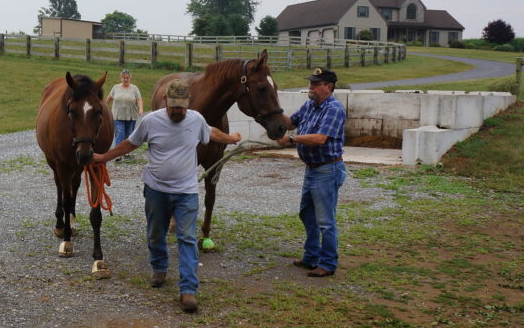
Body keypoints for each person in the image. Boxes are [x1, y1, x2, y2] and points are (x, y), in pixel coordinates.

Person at [93, 80, 241, 313]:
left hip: (186, 192)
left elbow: (210, 132)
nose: (178, 111)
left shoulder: (195, 119)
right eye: (174, 107)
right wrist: (104, 158)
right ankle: (159, 267)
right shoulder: (151, 121)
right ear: (165, 102)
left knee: (187, 238)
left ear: (188, 104)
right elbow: (130, 144)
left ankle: (188, 290)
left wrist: (231, 138)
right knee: (155, 233)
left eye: (182, 107)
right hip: (156, 189)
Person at [276, 68, 346, 278]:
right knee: (307, 214)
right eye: (311, 83)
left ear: (329, 87)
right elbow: (291, 122)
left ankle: (327, 263)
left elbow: (320, 138)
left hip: (327, 170)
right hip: (313, 169)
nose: (311, 87)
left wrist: (291, 139)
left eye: (316, 84)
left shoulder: (333, 109)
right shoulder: (310, 105)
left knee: (325, 221)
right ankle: (311, 257)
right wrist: (272, 112)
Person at [106, 69, 144, 150]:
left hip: (131, 116)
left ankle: (126, 152)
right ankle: (117, 154)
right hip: (117, 116)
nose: (126, 79)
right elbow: (108, 99)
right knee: (120, 133)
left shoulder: (134, 88)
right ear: (121, 78)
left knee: (129, 135)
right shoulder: (115, 87)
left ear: (130, 78)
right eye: (124, 78)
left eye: (127, 78)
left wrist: (140, 108)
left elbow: (139, 99)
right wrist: (104, 108)